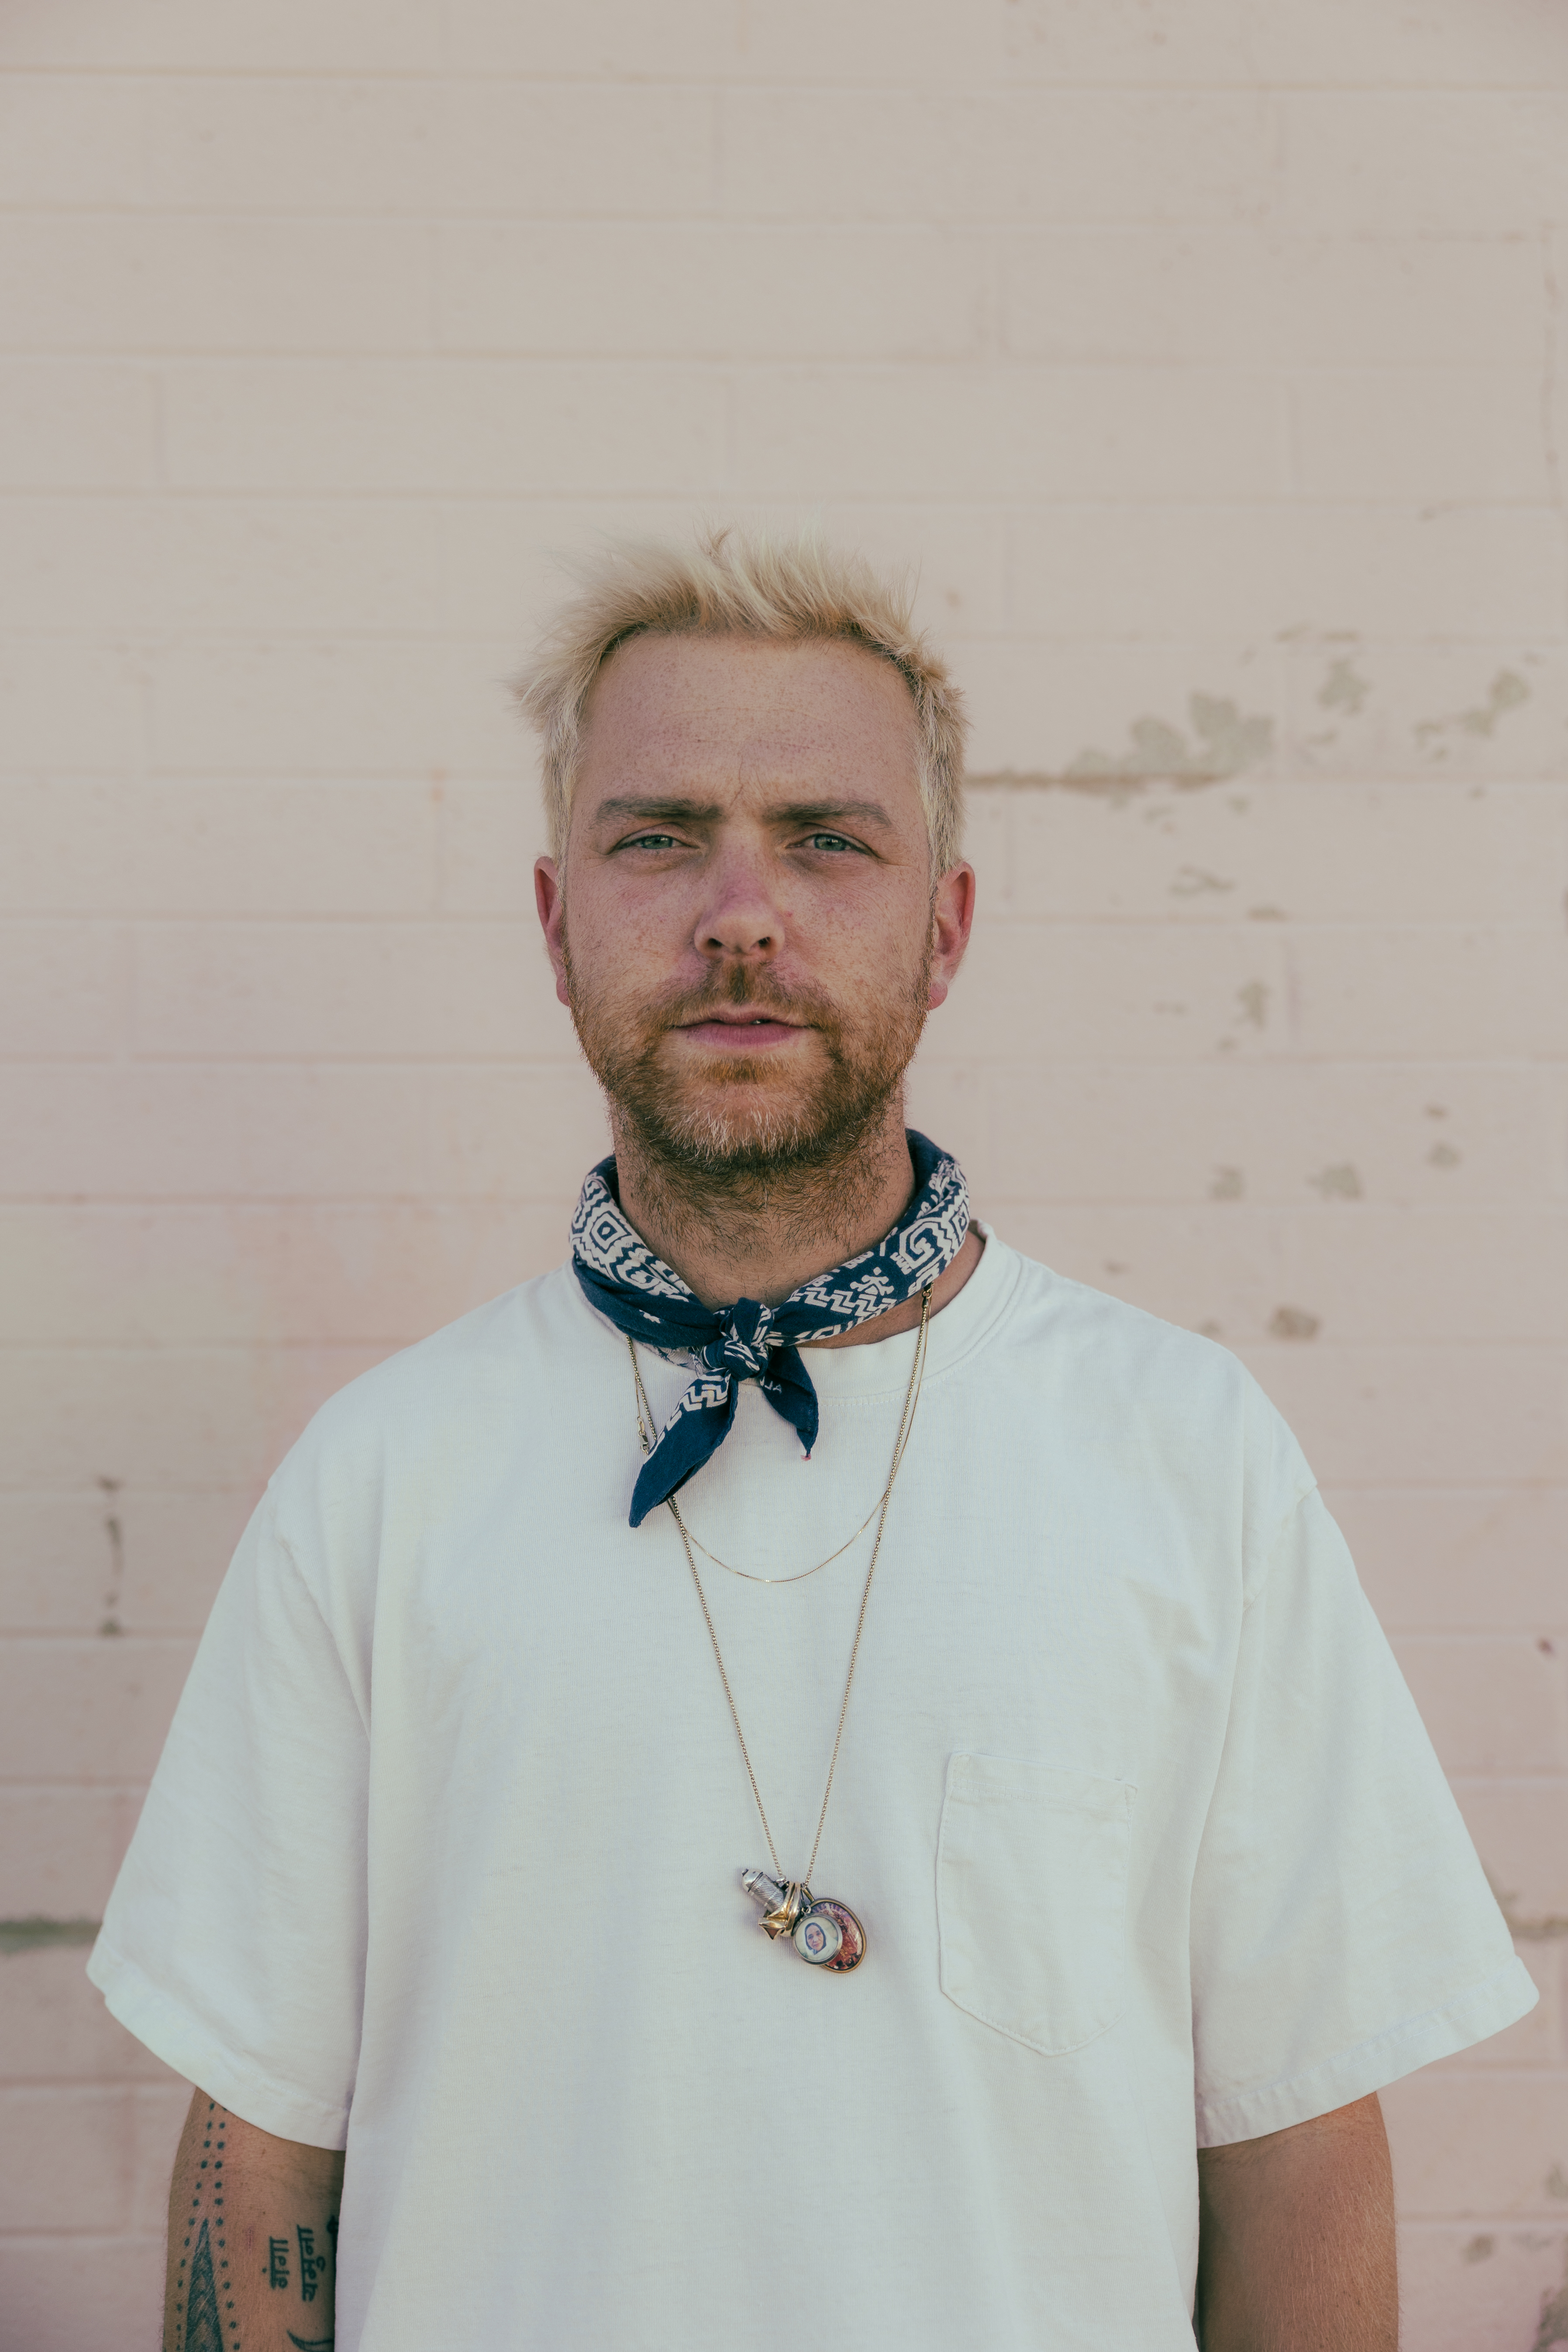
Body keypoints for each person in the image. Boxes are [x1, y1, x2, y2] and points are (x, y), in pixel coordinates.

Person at [91, 528, 1534, 2352]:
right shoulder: (379, 1480)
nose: (740, 911)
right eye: (657, 835)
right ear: (555, 924)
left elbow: (1300, 2143)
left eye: (829, 840)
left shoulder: (1187, 1452)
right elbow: (257, 2154)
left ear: (945, 927)